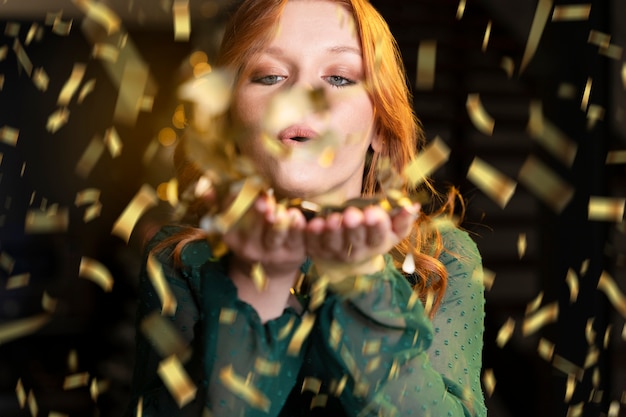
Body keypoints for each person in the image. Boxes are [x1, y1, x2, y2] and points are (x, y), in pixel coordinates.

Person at [124, 0, 487, 416]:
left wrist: (362, 284)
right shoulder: (181, 258)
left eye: (339, 76)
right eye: (270, 75)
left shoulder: (440, 257)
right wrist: (256, 294)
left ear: (381, 130)